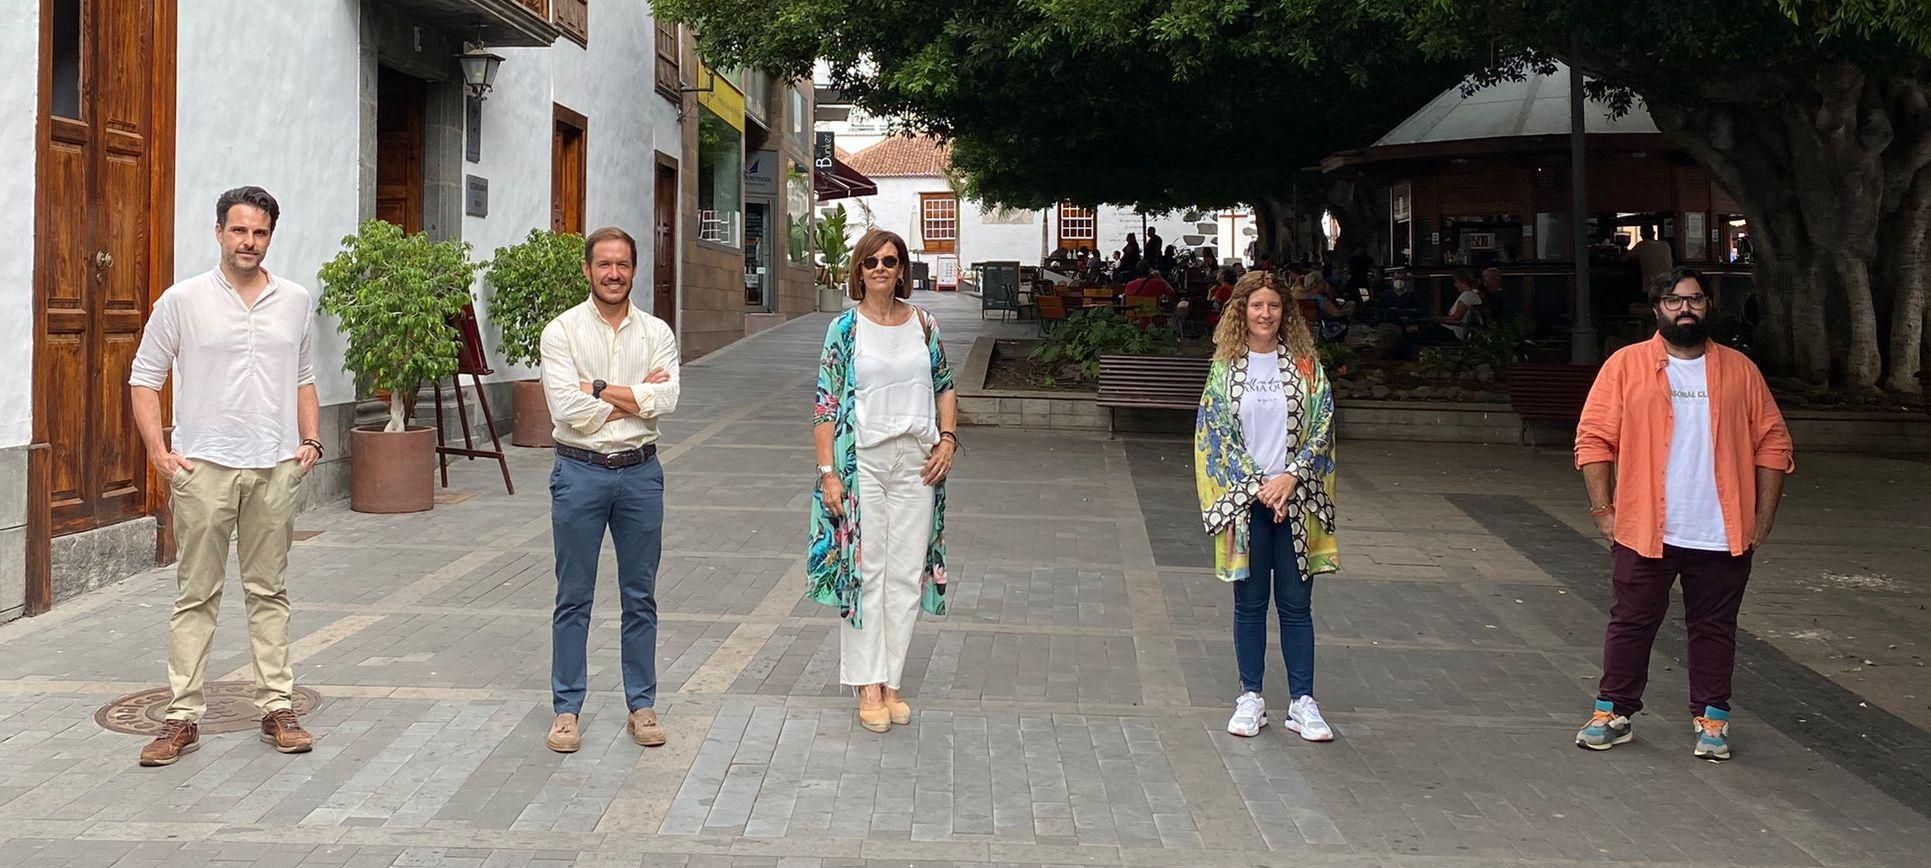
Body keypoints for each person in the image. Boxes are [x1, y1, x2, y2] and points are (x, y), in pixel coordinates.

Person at [128, 186, 321, 766]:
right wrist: (160, 453)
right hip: (203, 466)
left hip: (273, 466)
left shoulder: (295, 299)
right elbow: (144, 376)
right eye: (239, 231)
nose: (249, 242)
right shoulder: (182, 300)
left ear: (270, 237)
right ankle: (181, 718)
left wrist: (309, 441)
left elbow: (304, 376)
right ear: (218, 233)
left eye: (260, 233)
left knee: (269, 591)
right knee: (196, 595)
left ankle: (278, 708)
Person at [1573, 267, 1794, 762]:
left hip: (1723, 529)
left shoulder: (1740, 371)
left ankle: (1712, 720)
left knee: (1715, 628)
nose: (1685, 309)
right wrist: (1603, 509)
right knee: (1630, 623)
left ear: (1708, 306)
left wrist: (1764, 517)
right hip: (1645, 527)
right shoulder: (1625, 366)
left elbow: (1773, 443)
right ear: (1656, 309)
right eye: (1673, 301)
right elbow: (1594, 440)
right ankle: (1613, 712)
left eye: (1694, 299)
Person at [810, 228, 960, 733]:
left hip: (917, 461)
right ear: (859, 270)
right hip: (864, 464)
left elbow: (945, 387)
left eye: (890, 260)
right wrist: (828, 473)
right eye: (871, 260)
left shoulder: (924, 323)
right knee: (867, 572)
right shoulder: (845, 328)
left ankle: (892, 681)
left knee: (904, 575)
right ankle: (866, 683)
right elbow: (826, 404)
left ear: (902, 270)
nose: (880, 268)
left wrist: (948, 440)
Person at [540, 226, 681, 753]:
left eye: (622, 264)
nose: (614, 273)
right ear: (587, 270)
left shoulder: (656, 332)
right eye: (604, 264)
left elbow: (667, 399)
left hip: (641, 474)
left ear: (634, 269)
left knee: (639, 597)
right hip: (579, 473)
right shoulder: (562, 332)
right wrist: (634, 396)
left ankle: (641, 705)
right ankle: (566, 709)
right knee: (573, 596)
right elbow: (565, 410)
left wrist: (595, 387)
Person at [1194, 271, 1340, 743]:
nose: (1264, 314)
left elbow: (1323, 424)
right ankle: (1250, 696)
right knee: (1250, 603)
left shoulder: (1304, 366)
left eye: (1273, 306)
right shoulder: (1226, 368)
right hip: (1246, 503)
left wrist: (1291, 477)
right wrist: (1260, 485)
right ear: (1242, 310)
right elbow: (1215, 433)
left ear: (1285, 313)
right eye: (1256, 305)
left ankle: (1303, 702)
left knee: (1297, 605)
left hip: (1297, 500)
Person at [1428, 268, 1488, 342]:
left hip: (1454, 331)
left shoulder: (1467, 295)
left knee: (1420, 330)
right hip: (1458, 330)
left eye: (1456, 282)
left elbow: (1456, 318)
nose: (1455, 285)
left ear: (1463, 282)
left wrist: (1438, 319)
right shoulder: (1477, 294)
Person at [1299, 272, 1355, 341]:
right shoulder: (1320, 299)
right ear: (1317, 283)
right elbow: (1336, 313)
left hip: (1308, 326)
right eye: (1323, 282)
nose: (1325, 284)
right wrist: (1347, 310)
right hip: (1326, 328)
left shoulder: (1302, 296)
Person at [1628, 225, 1675, 290]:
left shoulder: (1642, 245)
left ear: (1641, 235)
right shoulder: (1665, 245)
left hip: (1651, 285)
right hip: (1668, 283)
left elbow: (1624, 258)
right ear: (1654, 233)